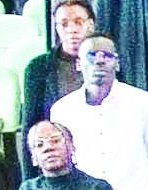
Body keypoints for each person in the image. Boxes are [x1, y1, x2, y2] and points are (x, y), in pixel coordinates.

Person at [50, 40, 148, 190]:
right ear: (78, 64)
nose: (99, 61)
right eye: (91, 55)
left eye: (107, 56)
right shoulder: (62, 109)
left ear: (118, 63)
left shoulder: (144, 102)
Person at [23, 0, 102, 128]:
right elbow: (31, 124)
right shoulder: (38, 68)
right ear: (56, 28)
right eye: (64, 24)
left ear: (91, 24)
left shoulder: (105, 62)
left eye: (78, 22)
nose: (72, 30)